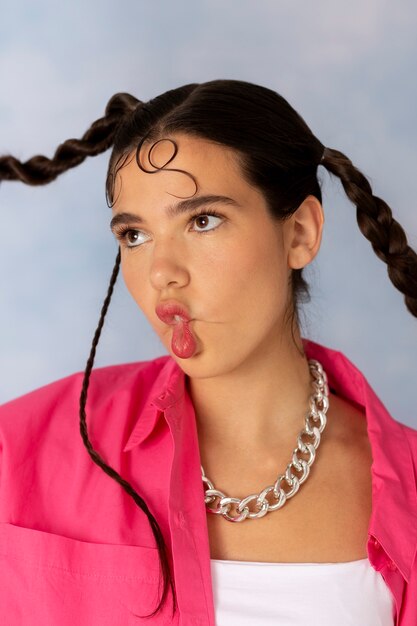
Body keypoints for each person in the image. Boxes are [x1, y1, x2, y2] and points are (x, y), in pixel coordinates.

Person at [0, 79, 416, 626]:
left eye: (202, 220)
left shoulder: (404, 486)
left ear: (299, 233)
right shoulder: (19, 449)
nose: (161, 273)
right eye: (134, 235)